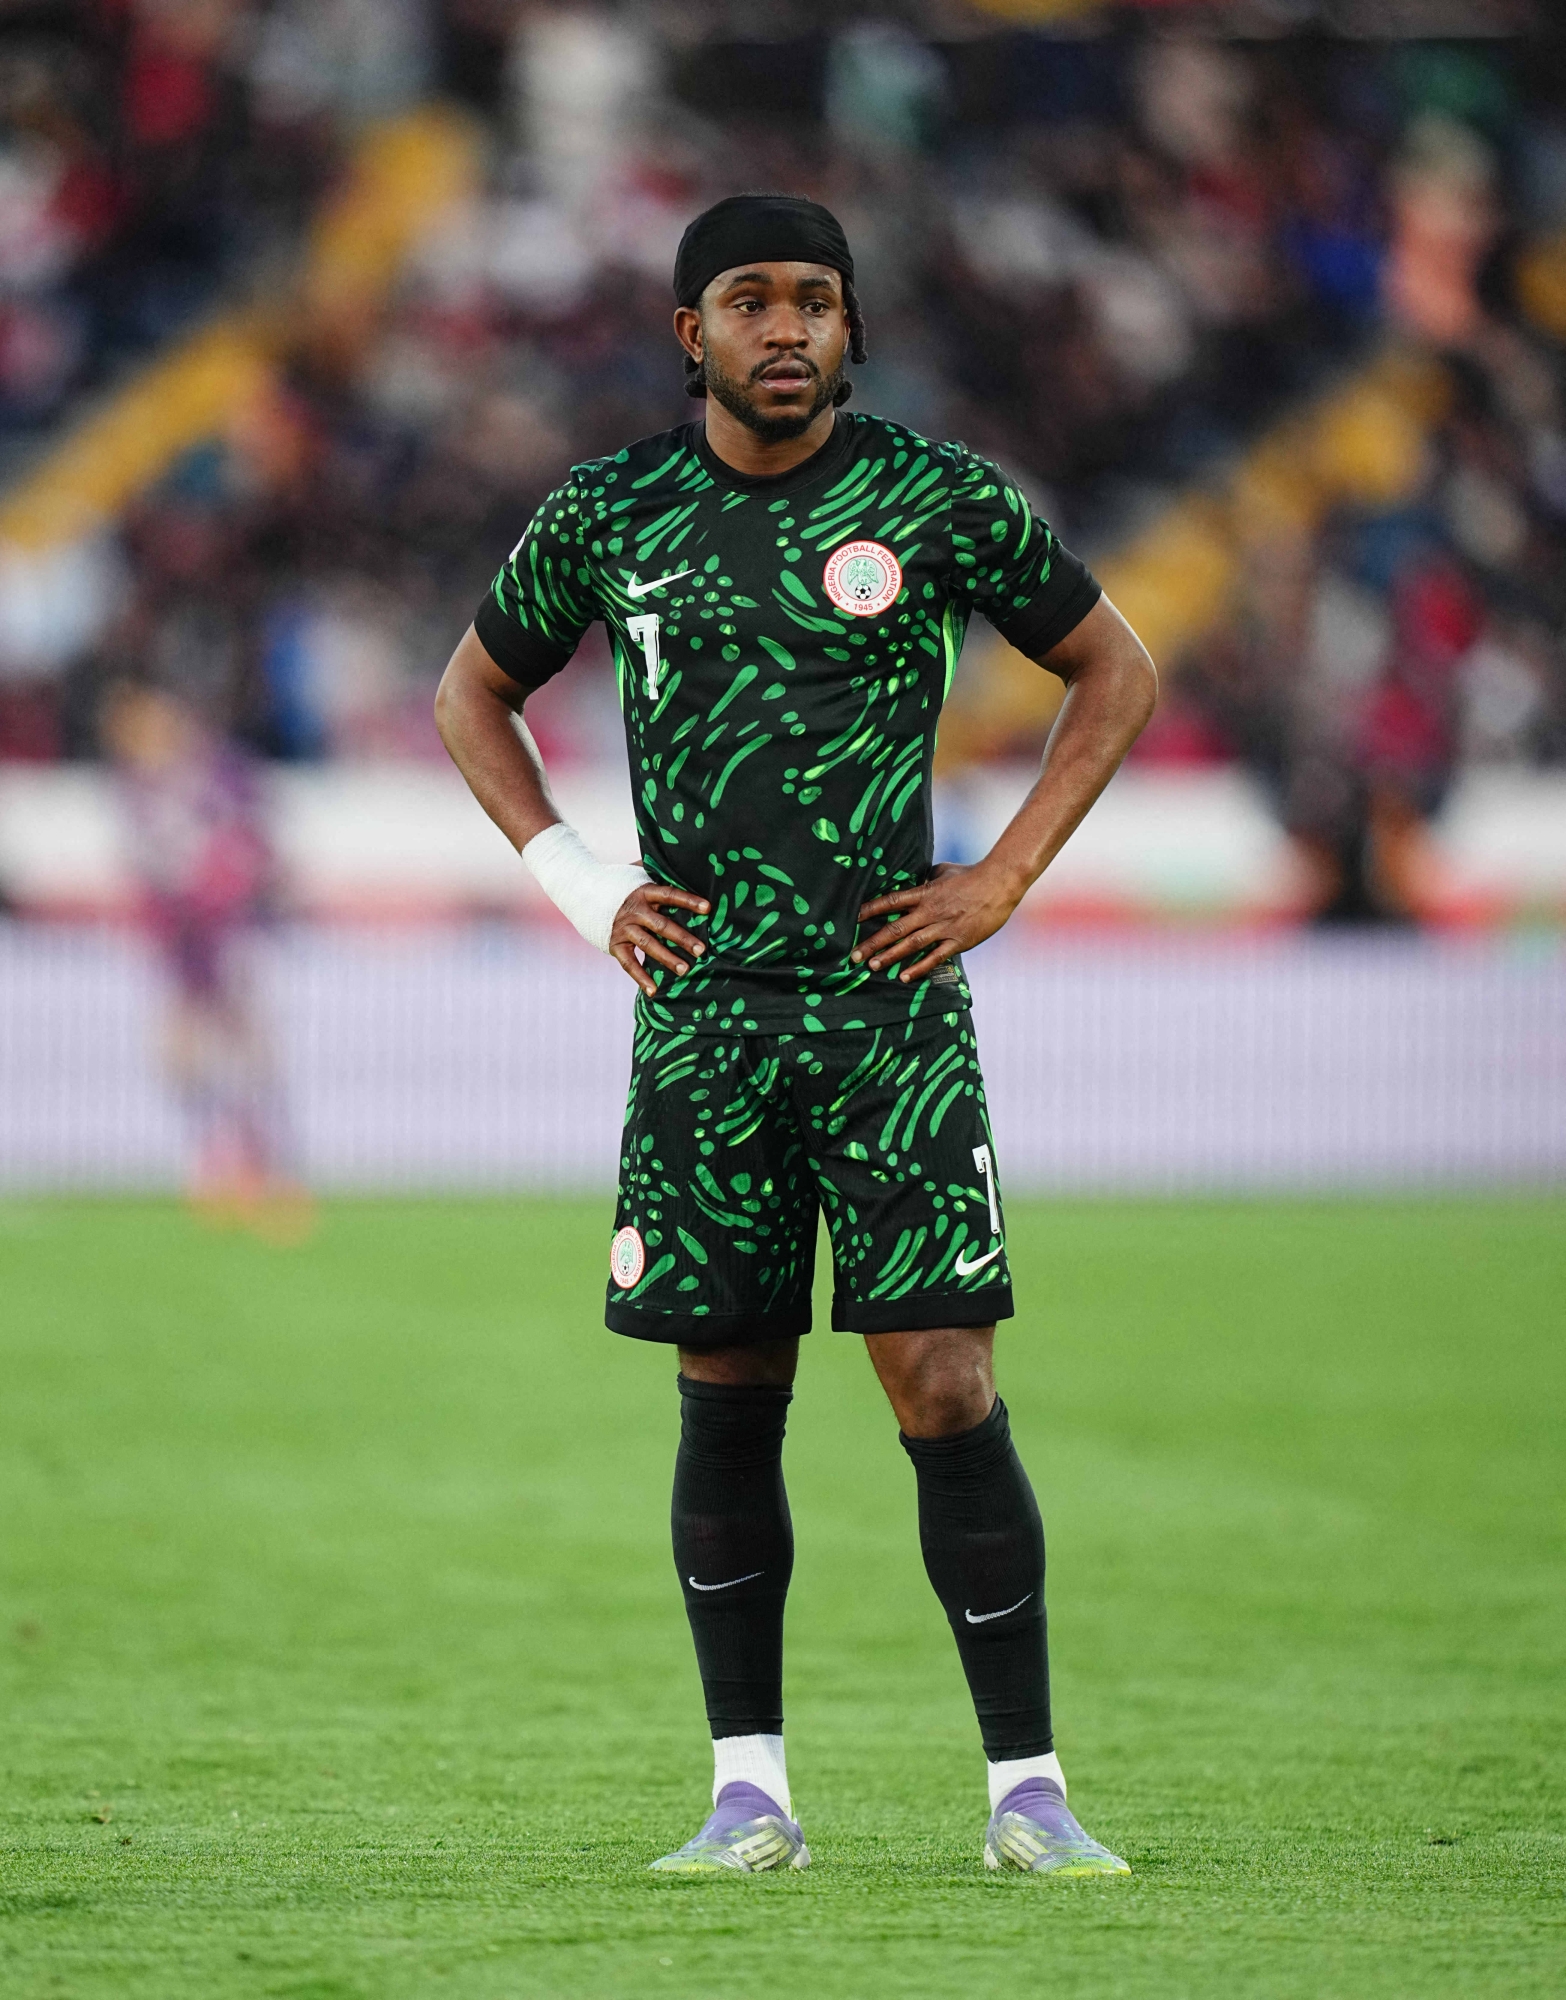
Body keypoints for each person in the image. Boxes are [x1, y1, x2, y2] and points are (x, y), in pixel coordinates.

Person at [435, 194, 1157, 1876]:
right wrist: (572, 878)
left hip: (889, 1013)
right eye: (748, 302)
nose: (786, 330)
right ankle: (748, 1795)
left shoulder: (933, 496)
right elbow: (471, 690)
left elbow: (1110, 669)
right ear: (689, 333)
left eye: (814, 302)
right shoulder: (614, 511)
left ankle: (1025, 1796)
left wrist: (1003, 874)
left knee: (942, 1380)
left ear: (849, 329)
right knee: (724, 1390)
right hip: (704, 1025)